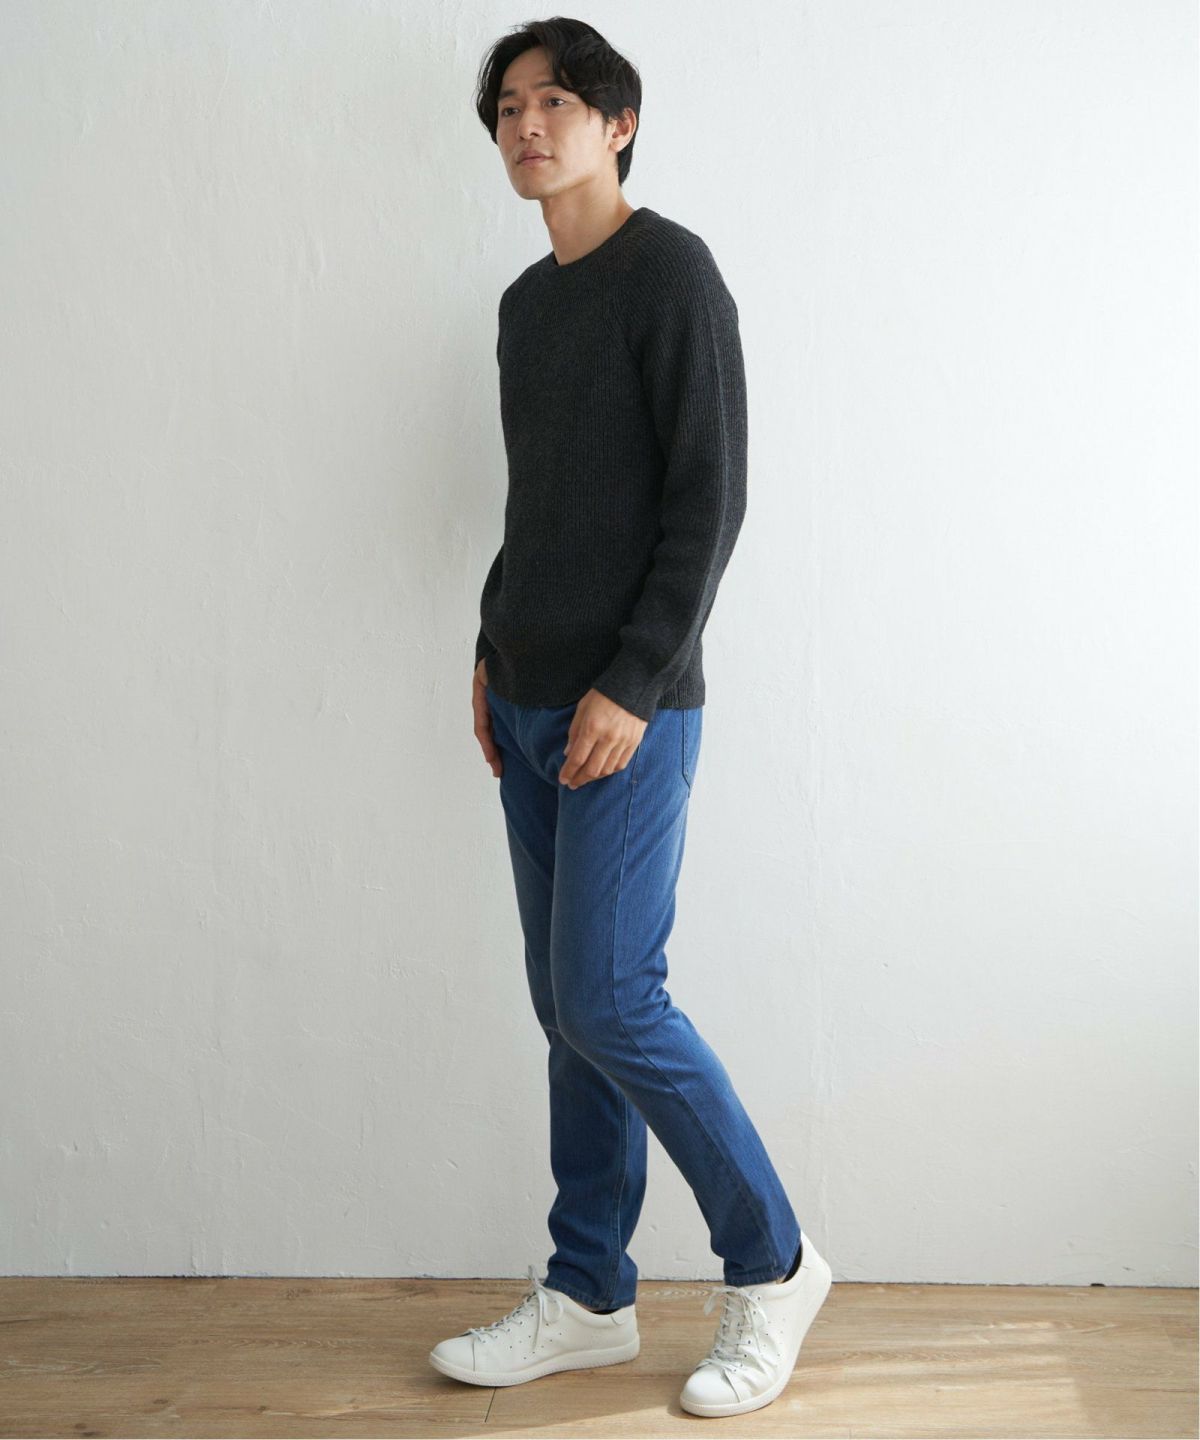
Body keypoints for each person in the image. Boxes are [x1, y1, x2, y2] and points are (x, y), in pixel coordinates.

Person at [429, 17, 832, 1419]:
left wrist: (633, 680)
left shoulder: (674, 276)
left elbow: (708, 502)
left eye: (555, 101)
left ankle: (775, 1263)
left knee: (612, 997)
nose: (526, 126)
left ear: (620, 122)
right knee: (570, 1011)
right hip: (527, 698)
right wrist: (491, 648)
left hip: (628, 709)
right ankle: (590, 1293)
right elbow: (537, 506)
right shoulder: (524, 307)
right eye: (507, 109)